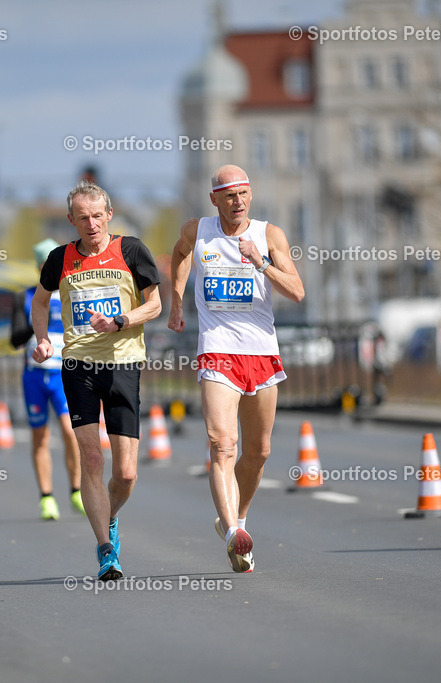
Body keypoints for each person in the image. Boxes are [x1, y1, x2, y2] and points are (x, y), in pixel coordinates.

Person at [168, 164, 304, 573]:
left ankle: (237, 518)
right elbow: (179, 254)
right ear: (215, 199)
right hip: (217, 350)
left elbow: (297, 292)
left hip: (261, 353)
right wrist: (176, 300)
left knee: (258, 452)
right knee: (222, 445)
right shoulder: (198, 230)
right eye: (229, 195)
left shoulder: (269, 235)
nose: (238, 201)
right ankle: (232, 535)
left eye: (243, 193)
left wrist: (261, 263)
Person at [31, 181, 162, 581]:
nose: (91, 224)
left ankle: (109, 518)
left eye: (97, 216)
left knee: (125, 474)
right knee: (91, 458)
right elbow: (40, 301)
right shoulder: (60, 259)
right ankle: (106, 551)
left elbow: (155, 304)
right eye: (82, 217)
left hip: (123, 364)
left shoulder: (131, 250)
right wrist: (41, 339)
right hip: (78, 366)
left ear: (109, 214)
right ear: (71, 220)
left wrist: (121, 320)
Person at [10, 238, 84, 520]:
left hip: (63, 375)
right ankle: (46, 497)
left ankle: (76, 490)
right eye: (46, 263)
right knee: (40, 437)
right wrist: (37, 318)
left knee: (70, 431)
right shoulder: (25, 296)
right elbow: (15, 340)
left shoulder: (71, 293)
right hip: (34, 376)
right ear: (40, 265)